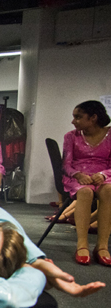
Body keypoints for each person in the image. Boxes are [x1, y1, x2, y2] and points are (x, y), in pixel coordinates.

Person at [62, 100, 111, 266]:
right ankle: (82, 244)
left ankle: (102, 246)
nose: (73, 121)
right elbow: (66, 165)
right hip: (77, 176)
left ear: (93, 118)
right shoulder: (70, 136)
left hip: (104, 175)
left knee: (108, 190)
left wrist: (104, 175)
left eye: (78, 117)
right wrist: (78, 174)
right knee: (85, 192)